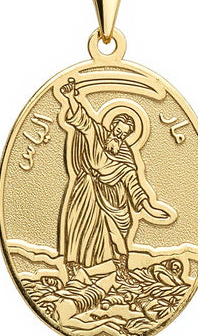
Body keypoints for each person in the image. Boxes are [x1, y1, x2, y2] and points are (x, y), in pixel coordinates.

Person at [59, 78, 170, 282]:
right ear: (111, 127)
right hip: (88, 192)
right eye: (117, 131)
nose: (118, 137)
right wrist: (71, 98)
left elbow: (132, 182)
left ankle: (121, 271)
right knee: (78, 230)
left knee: (117, 234)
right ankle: (74, 273)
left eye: (123, 135)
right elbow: (83, 121)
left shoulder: (125, 154)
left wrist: (148, 207)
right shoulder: (96, 134)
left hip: (113, 199)